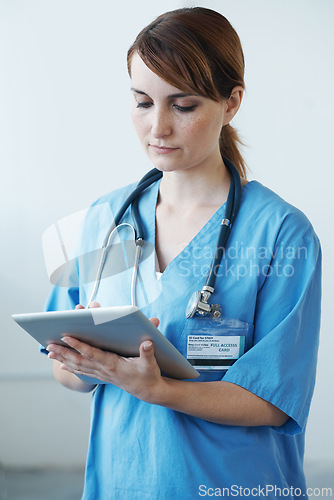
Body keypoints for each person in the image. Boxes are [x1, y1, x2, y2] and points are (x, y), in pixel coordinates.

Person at [44, 7, 322, 499]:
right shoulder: (103, 221)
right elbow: (65, 372)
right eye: (142, 102)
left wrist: (158, 390)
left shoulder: (281, 234)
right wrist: (86, 362)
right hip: (121, 483)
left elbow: (274, 401)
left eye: (184, 105)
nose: (158, 128)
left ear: (231, 102)